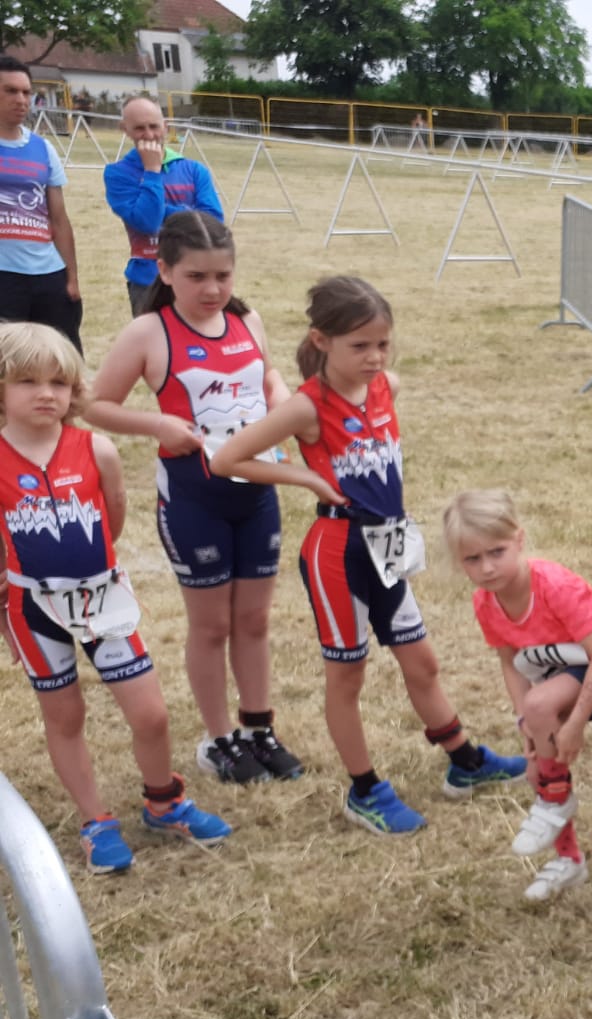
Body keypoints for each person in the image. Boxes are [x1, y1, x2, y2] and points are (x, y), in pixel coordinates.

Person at [210, 276, 525, 835]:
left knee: (422, 662)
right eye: (359, 346)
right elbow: (228, 458)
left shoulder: (385, 387)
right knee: (347, 675)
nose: (375, 357)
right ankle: (365, 791)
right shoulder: (307, 407)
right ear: (322, 340)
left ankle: (466, 761)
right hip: (337, 555)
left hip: (386, 549)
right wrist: (305, 477)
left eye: (382, 344)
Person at [0, 323, 231, 873]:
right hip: (34, 610)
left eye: (59, 382)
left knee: (150, 714)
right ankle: (95, 821)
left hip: (102, 602)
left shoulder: (96, 449)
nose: (46, 394)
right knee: (65, 716)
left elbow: (114, 514)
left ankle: (164, 802)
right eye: (28, 381)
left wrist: (96, 573)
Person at [88, 212, 303, 787]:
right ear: (164, 271)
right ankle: (219, 739)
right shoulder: (148, 332)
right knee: (211, 626)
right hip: (192, 497)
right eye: (196, 276)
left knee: (253, 619)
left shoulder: (246, 320)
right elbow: (94, 404)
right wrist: (158, 424)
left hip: (257, 493)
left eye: (223, 276)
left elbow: (267, 378)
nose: (212, 289)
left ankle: (258, 729)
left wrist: (284, 408)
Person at [442, 489, 592, 904]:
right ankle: (569, 859)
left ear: (519, 539)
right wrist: (527, 731)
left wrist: (575, 724)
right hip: (556, 666)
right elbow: (510, 662)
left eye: (496, 552)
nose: (487, 567)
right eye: (472, 559)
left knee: (542, 717)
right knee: (538, 770)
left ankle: (555, 798)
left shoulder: (553, 585)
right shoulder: (485, 602)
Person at [102, 96, 224, 315]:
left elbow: (213, 224)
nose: (149, 135)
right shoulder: (117, 173)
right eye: (139, 128)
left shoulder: (194, 170)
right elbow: (147, 222)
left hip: (196, 277)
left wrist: (162, 212)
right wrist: (152, 171)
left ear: (165, 126)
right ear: (125, 129)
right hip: (146, 282)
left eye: (154, 126)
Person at [0, 57, 81, 351]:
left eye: (26, 92)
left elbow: (59, 218)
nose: (21, 100)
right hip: (5, 276)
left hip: (48, 275)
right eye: (11, 91)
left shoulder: (43, 148)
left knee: (61, 358)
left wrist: (71, 278)